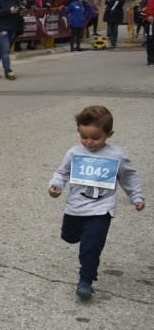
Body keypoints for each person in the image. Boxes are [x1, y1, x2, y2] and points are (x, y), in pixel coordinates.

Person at [48, 105, 144, 300]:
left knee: (90, 247)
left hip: (102, 209)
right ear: (78, 132)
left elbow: (129, 176)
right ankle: (85, 240)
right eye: (84, 137)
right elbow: (62, 173)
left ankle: (86, 281)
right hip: (75, 207)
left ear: (109, 134)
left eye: (96, 138)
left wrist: (136, 196)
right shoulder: (74, 152)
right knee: (69, 236)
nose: (89, 142)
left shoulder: (117, 155)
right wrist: (55, 186)